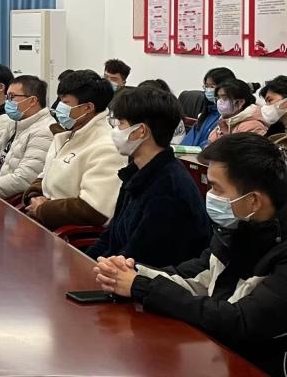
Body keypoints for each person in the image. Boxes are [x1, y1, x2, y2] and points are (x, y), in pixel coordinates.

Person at [94, 134, 287, 376]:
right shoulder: (236, 230)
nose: (209, 195)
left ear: (253, 201)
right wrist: (132, 272)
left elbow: (239, 321)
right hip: (215, 354)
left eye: (216, 188)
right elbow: (194, 277)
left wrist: (140, 286)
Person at [85, 87, 210, 267]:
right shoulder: (136, 172)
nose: (115, 130)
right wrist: (84, 263)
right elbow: (110, 237)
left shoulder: (168, 190)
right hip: (118, 269)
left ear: (141, 131)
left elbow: (137, 258)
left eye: (121, 123)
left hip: (144, 277)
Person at [23, 70, 124, 229]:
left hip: (66, 234)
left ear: (88, 108)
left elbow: (95, 209)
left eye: (65, 102)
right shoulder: (67, 135)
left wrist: (44, 209)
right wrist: (34, 196)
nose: (58, 107)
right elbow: (46, 175)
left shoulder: (107, 146)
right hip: (43, 221)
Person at [0, 75, 55, 199]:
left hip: (14, 199)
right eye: (7, 97)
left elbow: (24, 179)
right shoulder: (17, 123)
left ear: (32, 101)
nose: (7, 102)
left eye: (12, 97)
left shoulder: (44, 131)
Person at [181, 67, 236, 147]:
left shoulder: (231, 116)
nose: (208, 90)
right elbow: (188, 141)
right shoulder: (208, 112)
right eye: (206, 86)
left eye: (212, 87)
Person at [208, 79, 268, 144]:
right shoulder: (225, 121)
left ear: (240, 102)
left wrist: (226, 136)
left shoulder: (252, 126)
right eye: (218, 98)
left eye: (224, 98)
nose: (219, 101)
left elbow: (246, 150)